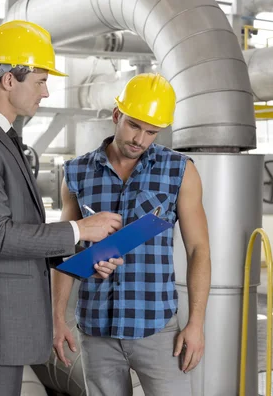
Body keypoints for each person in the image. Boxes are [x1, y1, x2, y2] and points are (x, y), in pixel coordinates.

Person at [0, 20, 123, 396]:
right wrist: (80, 229)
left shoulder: (3, 139)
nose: (46, 91)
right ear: (9, 79)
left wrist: (85, 258)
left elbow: (23, 234)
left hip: (9, 324)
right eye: (39, 81)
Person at [51, 73, 212, 396]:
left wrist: (195, 324)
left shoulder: (178, 170)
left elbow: (199, 250)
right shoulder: (77, 173)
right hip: (96, 329)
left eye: (151, 132)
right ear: (116, 116)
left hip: (156, 327)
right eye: (133, 126)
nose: (140, 139)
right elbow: (65, 250)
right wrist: (56, 317)